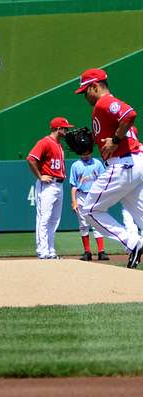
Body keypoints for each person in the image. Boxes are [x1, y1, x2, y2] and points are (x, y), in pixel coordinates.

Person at [74, 68, 143, 268]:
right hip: (133, 163)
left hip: (123, 164)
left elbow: (129, 114)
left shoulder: (104, 102)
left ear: (95, 87)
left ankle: (133, 243)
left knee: (90, 210)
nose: (84, 96)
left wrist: (114, 140)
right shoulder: (103, 109)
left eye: (85, 91)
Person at [27, 117, 74, 259]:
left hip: (59, 185)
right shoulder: (45, 142)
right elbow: (31, 158)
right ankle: (43, 251)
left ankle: (51, 250)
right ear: (58, 128)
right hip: (47, 185)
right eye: (65, 128)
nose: (67, 131)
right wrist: (40, 176)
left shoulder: (59, 145)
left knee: (55, 219)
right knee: (44, 218)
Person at [70, 152, 109, 261]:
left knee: (97, 223)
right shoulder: (75, 165)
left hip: (95, 195)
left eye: (87, 151)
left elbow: (104, 182)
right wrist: (74, 201)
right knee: (83, 224)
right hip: (81, 196)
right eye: (83, 151)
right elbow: (73, 185)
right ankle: (87, 252)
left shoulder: (97, 163)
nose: (85, 153)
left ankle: (101, 251)